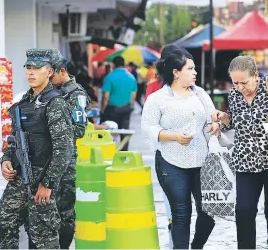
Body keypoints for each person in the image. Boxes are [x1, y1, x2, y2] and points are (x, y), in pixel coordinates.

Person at [0, 49, 74, 249]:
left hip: (44, 177)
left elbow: (64, 149)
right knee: (4, 222)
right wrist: (6, 160)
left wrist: (48, 184)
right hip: (20, 176)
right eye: (28, 67)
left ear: (49, 72)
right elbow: (14, 142)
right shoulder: (22, 104)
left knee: (43, 236)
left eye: (37, 68)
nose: (31, 72)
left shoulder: (55, 104)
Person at [141, 50, 219, 249]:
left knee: (209, 211)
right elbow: (147, 128)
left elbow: (211, 119)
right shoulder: (158, 98)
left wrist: (213, 126)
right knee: (181, 213)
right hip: (171, 162)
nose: (195, 73)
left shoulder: (200, 94)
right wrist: (174, 136)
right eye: (190, 69)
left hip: (201, 161)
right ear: (176, 72)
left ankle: (197, 245)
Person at [24, 49, 87, 249]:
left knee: (64, 214)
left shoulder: (75, 94)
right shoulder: (41, 93)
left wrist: (54, 129)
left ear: (59, 71)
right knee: (37, 215)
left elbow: (79, 129)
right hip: (40, 164)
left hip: (64, 164)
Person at [212, 56, 268, 249]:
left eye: (244, 82)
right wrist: (223, 118)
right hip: (245, 160)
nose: (239, 87)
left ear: (255, 76)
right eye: (235, 82)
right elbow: (234, 124)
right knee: (244, 210)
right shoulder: (234, 95)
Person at [101, 56, 137, 150]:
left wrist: (102, 110)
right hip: (126, 109)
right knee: (124, 132)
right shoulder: (131, 77)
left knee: (107, 131)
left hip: (112, 109)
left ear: (113, 65)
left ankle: (108, 152)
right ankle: (123, 155)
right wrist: (129, 106)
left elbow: (105, 96)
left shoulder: (110, 77)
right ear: (124, 65)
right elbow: (133, 96)